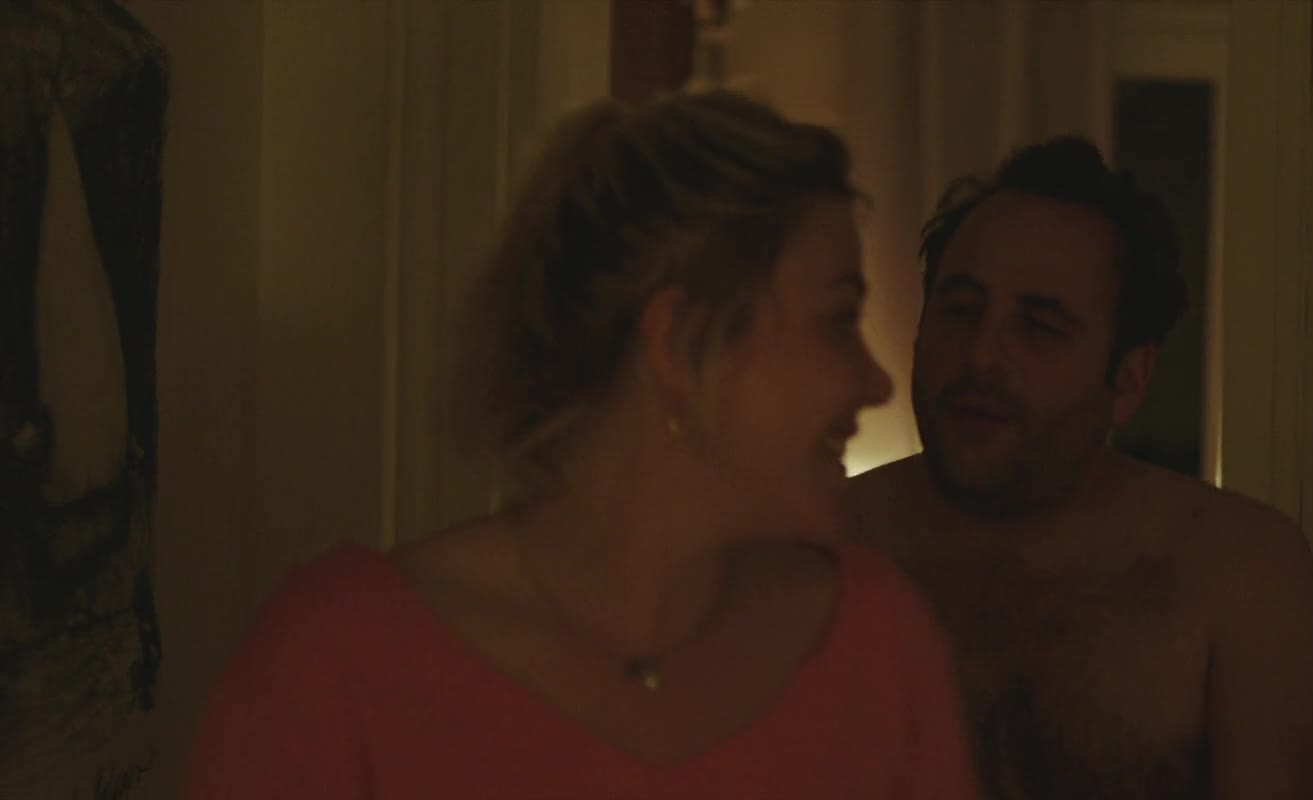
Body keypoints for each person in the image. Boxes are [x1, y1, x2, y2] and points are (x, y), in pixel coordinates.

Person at [186, 91, 982, 799]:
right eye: (838, 320)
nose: (875, 382)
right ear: (681, 342)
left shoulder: (876, 643)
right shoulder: (335, 668)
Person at [849, 138, 1313, 799]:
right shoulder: (824, 546)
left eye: (1039, 325)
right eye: (960, 310)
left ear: (1129, 379)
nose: (981, 356)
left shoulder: (1239, 576)